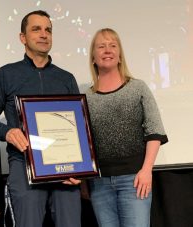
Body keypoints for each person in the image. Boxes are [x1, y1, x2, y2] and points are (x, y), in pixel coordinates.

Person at [0, 10, 81, 227]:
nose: (44, 34)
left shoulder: (66, 79)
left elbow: (78, 127)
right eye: (36, 29)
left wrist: (78, 167)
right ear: (23, 38)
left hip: (63, 166)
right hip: (23, 164)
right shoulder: (6, 75)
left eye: (48, 30)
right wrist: (7, 132)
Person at [85, 28, 168, 227]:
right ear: (93, 58)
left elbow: (154, 131)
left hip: (135, 180)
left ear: (120, 56)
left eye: (113, 45)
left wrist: (146, 170)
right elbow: (81, 142)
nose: (107, 50)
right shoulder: (86, 98)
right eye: (101, 46)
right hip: (99, 184)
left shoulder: (138, 88)